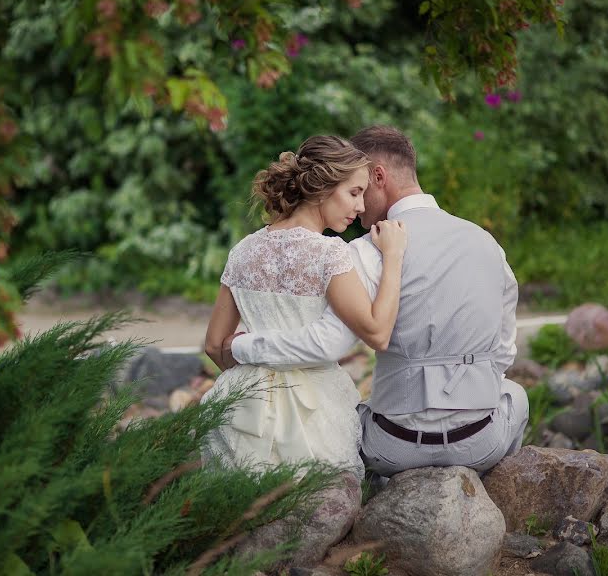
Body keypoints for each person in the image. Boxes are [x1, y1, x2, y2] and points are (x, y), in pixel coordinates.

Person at [225, 125, 529, 477]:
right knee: (515, 395)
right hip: (480, 442)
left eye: (361, 190)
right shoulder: (487, 244)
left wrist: (244, 346)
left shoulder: (364, 250)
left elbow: (332, 340)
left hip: (393, 447)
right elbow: (504, 350)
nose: (358, 204)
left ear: (378, 176)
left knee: (352, 414)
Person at [200, 134, 408, 480]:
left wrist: (255, 373)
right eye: (354, 193)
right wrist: (394, 257)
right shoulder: (329, 253)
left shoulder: (243, 251)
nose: (360, 207)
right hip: (313, 406)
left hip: (245, 401)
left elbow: (213, 345)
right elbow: (377, 330)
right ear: (323, 188)